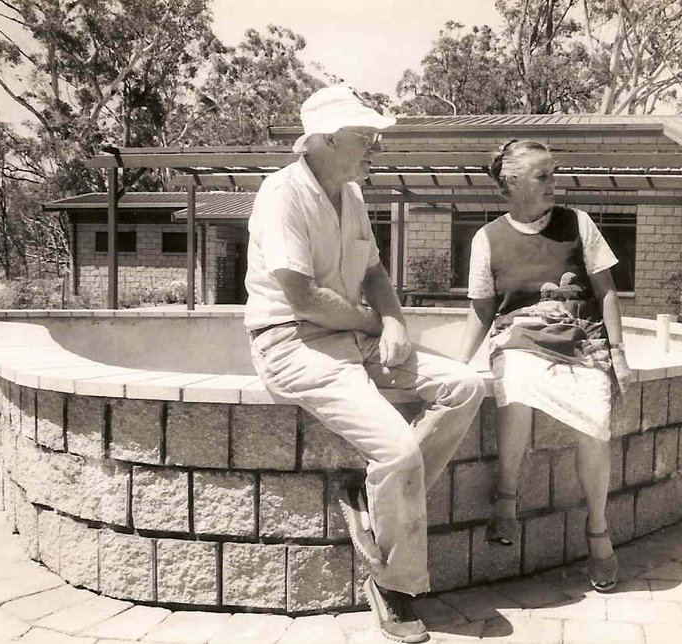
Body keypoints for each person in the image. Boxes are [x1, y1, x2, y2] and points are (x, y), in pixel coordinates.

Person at [245, 86, 484, 643]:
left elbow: (373, 271)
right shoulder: (281, 195)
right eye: (365, 135)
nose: (377, 143)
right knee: (398, 450)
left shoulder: (350, 194)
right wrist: (379, 327)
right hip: (293, 342)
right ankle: (394, 584)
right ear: (327, 139)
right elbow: (301, 297)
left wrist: (397, 322)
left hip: (353, 336)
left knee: (465, 384)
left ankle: (373, 504)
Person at [457, 139, 632, 592]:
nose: (555, 183)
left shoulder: (578, 223)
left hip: (582, 340)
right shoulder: (488, 239)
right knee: (513, 382)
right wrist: (458, 366)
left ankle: (597, 528)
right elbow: (482, 310)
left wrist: (618, 353)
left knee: (596, 422)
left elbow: (607, 291)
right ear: (512, 183)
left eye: (554, 173)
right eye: (543, 176)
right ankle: (506, 500)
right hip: (521, 338)